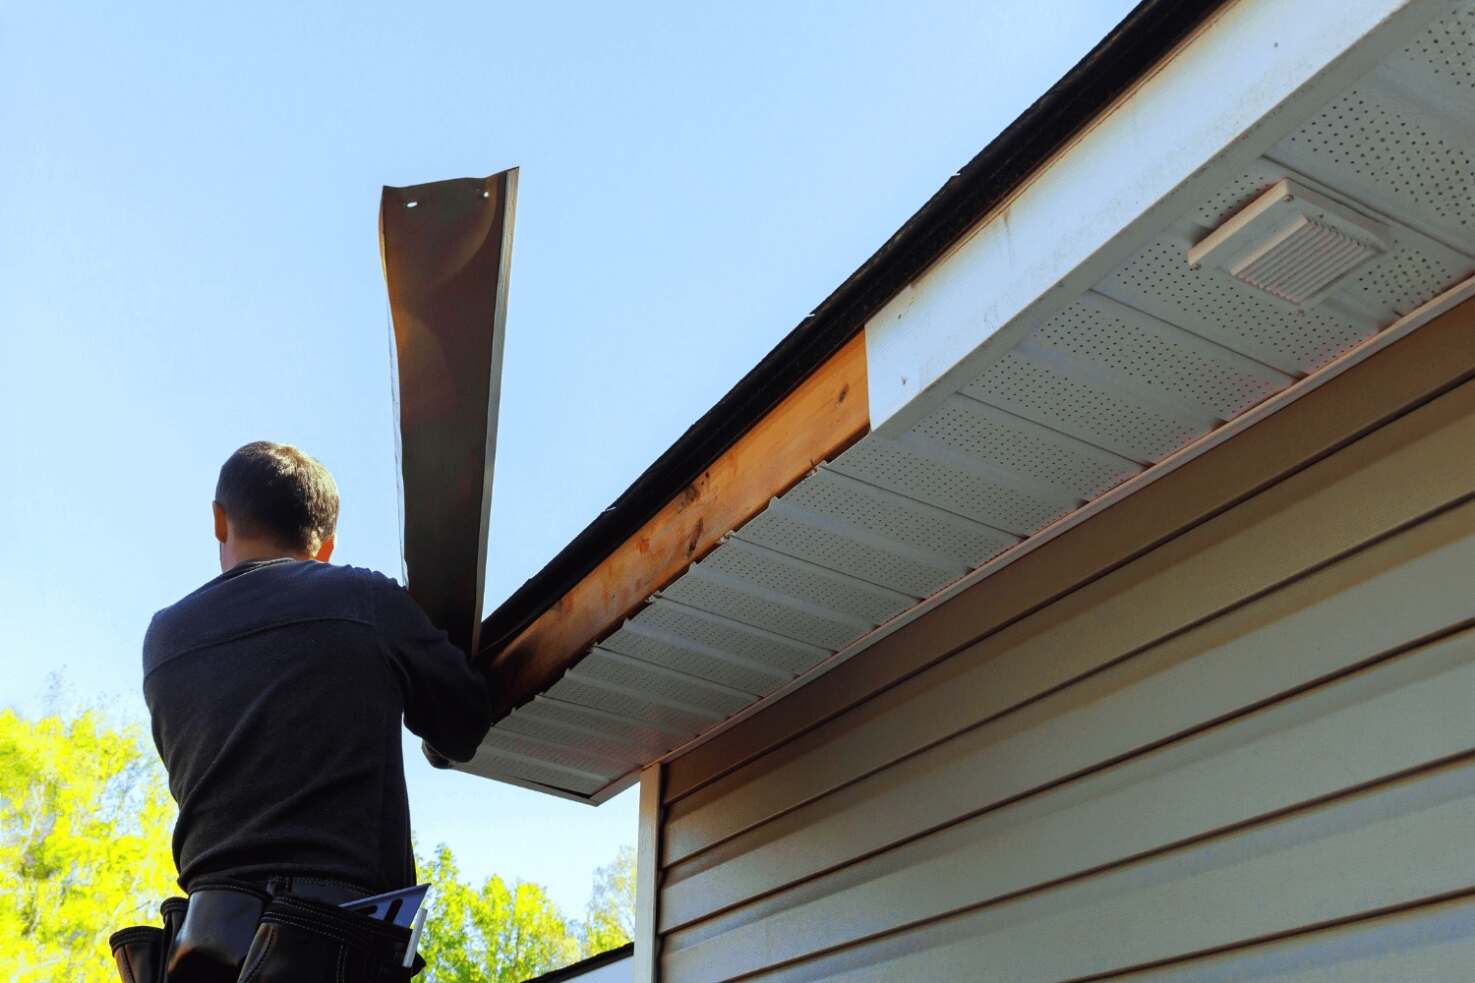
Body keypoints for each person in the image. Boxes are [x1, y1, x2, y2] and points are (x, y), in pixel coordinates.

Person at [125, 440, 494, 981]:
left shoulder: (164, 638)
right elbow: (463, 726)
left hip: (203, 946)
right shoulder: (363, 600)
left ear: (219, 520)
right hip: (334, 943)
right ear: (326, 547)